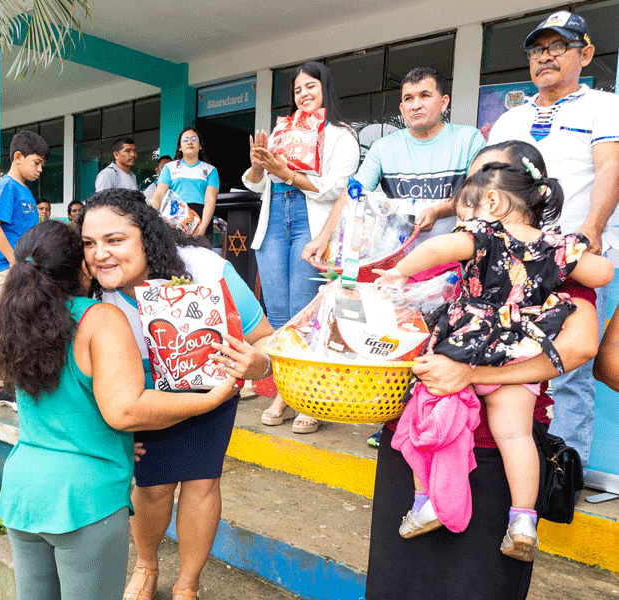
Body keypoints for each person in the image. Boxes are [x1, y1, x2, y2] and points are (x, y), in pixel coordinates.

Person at [365, 142, 602, 600]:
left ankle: (472, 510)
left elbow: (582, 346)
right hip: (416, 442)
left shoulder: (510, 250)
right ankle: (519, 519)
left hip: (487, 464)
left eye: (475, 186)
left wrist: (471, 375)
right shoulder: (556, 254)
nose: (464, 202)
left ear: (495, 197)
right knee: (396, 586)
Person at [0, 219, 240, 600]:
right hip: (84, 499)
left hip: (25, 489)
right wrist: (210, 400)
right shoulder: (98, 318)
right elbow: (124, 410)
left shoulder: (16, 319)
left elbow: (64, 403)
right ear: (82, 267)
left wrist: (113, 441)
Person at [80, 189, 275, 600]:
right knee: (152, 487)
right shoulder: (88, 288)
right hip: (140, 397)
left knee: (202, 482)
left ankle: (188, 582)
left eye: (115, 240)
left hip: (210, 389)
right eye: (89, 243)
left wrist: (258, 365)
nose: (100, 254)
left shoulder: (204, 268)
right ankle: (146, 565)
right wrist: (105, 427)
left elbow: (265, 339)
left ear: (147, 237)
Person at [303, 66, 486, 442]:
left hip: (457, 264)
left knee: (446, 345)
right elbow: (352, 193)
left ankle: (440, 428)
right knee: (399, 341)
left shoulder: (468, 139)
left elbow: (479, 193)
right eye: (408, 99)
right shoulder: (385, 148)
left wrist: (440, 209)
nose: (416, 105)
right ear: (401, 108)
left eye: (425, 96)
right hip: (401, 270)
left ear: (444, 102)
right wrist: (323, 237)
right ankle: (395, 423)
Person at [486, 11, 619, 470]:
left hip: (575, 257)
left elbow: (610, 167)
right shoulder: (511, 118)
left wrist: (593, 229)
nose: (545, 57)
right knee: (507, 362)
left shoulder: (604, 106)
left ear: (586, 53)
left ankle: (562, 479)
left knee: (566, 371)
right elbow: (488, 183)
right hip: (512, 261)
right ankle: (515, 475)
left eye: (558, 46)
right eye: (538, 49)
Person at [242, 62, 359, 434]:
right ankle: (287, 392)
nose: (303, 94)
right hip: (275, 218)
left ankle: (311, 395)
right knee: (278, 315)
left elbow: (337, 188)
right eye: (297, 90)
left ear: (325, 89)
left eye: (310, 86)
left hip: (311, 220)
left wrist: (288, 174)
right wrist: (259, 165)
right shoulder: (283, 130)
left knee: (307, 314)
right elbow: (257, 184)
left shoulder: (341, 134)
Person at [0, 130, 48, 409]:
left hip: (19, 269)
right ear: (18, 157)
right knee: (11, 329)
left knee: (19, 327)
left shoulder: (24, 190)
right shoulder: (7, 186)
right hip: (10, 270)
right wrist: (13, 261)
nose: (40, 169)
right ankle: (0, 389)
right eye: (36, 163)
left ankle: (6, 386)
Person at [149, 128, 220, 239]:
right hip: (174, 216)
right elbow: (158, 195)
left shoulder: (210, 170)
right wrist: (154, 219)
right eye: (185, 140)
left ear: (200, 146)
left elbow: (210, 200)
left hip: (201, 218)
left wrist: (203, 226)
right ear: (180, 147)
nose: (190, 142)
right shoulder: (169, 168)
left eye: (194, 139)